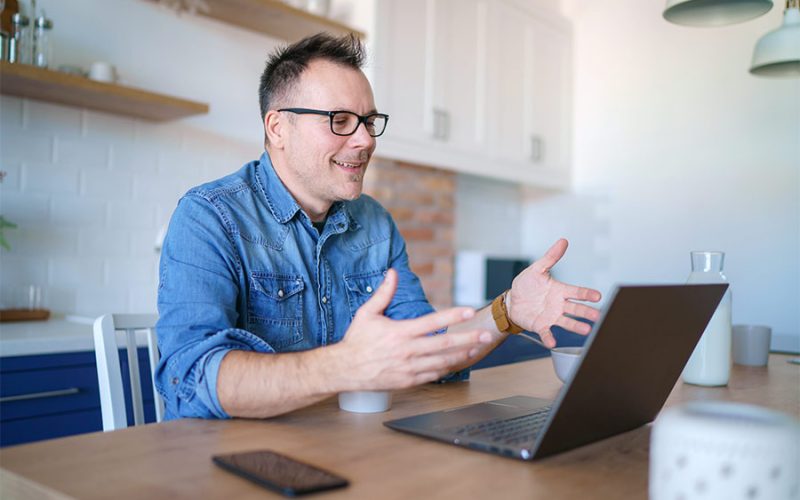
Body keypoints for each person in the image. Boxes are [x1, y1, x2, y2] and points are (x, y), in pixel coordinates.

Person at [155, 33, 601, 420]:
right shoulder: (209, 217)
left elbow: (428, 351)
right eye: (340, 121)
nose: (366, 140)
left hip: (344, 449)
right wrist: (344, 366)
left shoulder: (373, 224)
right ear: (278, 128)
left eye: (369, 121)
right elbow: (190, 379)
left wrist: (508, 311)